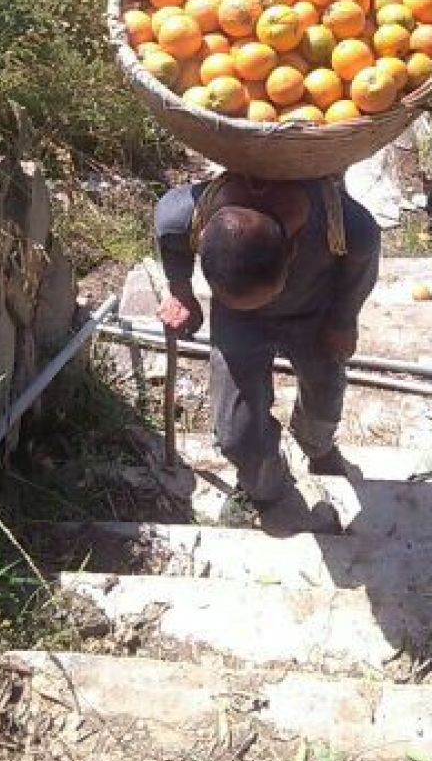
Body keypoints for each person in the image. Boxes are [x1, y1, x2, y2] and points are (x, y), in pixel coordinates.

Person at [154, 172, 380, 525]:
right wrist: (181, 290)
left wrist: (343, 320)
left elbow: (361, 264)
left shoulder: (346, 226)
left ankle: (317, 447)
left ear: (292, 250)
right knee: (235, 433)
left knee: (325, 395)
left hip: (314, 314)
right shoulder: (187, 214)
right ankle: (263, 486)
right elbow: (168, 227)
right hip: (237, 323)